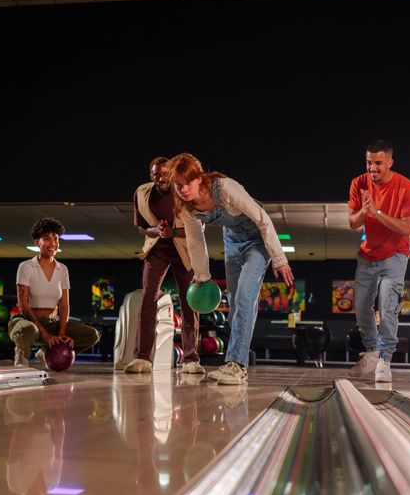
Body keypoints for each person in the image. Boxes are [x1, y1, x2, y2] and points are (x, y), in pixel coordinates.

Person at [168, 153, 293, 385]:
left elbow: (262, 218)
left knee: (246, 297)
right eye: (178, 185)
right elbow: (196, 242)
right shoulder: (187, 208)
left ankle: (237, 365)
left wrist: (279, 258)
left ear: (199, 178)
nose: (183, 189)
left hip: (257, 240)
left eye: (187, 182)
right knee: (236, 302)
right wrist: (202, 274)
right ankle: (232, 363)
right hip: (233, 243)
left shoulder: (225, 188)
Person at [347, 140, 410, 383]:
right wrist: (364, 211)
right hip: (367, 255)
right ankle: (372, 352)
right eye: (369, 162)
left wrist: (377, 212)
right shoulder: (358, 183)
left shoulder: (406, 188)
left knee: (387, 308)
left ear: (390, 162)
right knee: (360, 307)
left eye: (378, 163)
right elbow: (353, 222)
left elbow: (407, 228)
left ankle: (385, 360)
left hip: (396, 254)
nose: (372, 168)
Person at [125, 157, 202, 374]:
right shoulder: (141, 193)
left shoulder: (183, 192)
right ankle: (143, 358)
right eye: (155, 175)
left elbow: (197, 228)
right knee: (148, 297)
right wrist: (157, 231)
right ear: (150, 176)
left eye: (164, 174)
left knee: (190, 301)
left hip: (182, 250)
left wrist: (172, 232)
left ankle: (190, 359)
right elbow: (142, 228)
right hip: (157, 250)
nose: (161, 179)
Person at [8, 217, 100, 368]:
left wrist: (62, 334)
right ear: (37, 242)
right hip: (26, 321)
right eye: (47, 239)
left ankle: (45, 351)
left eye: (56, 239)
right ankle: (21, 352)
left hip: (52, 323)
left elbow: (64, 305)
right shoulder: (25, 267)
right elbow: (23, 305)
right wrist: (45, 334)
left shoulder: (62, 269)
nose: (53, 243)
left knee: (92, 335)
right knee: (29, 330)